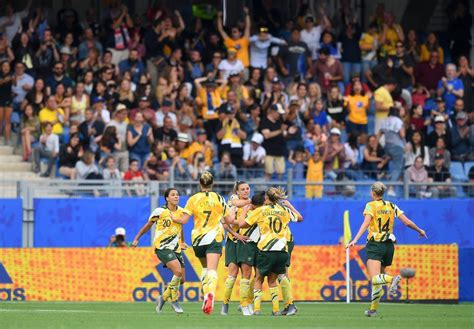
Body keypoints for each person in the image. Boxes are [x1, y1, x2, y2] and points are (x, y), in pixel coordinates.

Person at [347, 181, 427, 317]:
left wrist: (355, 239)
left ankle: (392, 279)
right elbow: (407, 222)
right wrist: (419, 230)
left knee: (375, 279)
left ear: (372, 192)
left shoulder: (370, 206)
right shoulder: (392, 205)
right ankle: (373, 310)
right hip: (389, 246)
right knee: (379, 280)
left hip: (375, 245)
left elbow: (366, 224)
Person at [171, 171, 233, 315]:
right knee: (212, 270)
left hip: (198, 239)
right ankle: (209, 295)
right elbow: (229, 220)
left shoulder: (193, 199)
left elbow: (183, 220)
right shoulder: (219, 198)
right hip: (214, 238)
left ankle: (206, 297)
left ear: (200, 184)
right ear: (213, 184)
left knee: (205, 269)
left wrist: (172, 216)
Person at [236, 187, 302, 316]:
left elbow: (242, 224)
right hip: (282, 250)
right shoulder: (283, 210)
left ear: (266, 199)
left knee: (259, 279)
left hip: (266, 249)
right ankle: (276, 309)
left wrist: (244, 211)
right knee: (274, 280)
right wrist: (290, 206)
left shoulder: (261, 210)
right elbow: (300, 218)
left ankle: (256, 309)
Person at [132, 188, 186, 314]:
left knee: (182, 279)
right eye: (173, 195)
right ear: (167, 198)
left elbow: (180, 227)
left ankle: (163, 298)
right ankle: (175, 301)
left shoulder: (182, 211)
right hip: (162, 247)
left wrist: (182, 241)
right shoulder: (160, 211)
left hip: (176, 248)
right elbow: (147, 226)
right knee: (177, 271)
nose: (176, 197)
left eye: (177, 195)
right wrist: (136, 238)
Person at [221, 181, 251, 316]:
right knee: (232, 275)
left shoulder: (252, 205)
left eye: (248, 188)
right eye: (243, 189)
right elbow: (224, 222)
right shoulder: (233, 201)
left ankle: (244, 304)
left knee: (247, 274)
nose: (246, 191)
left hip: (246, 242)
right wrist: (235, 234)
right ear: (237, 192)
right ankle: (225, 304)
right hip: (233, 241)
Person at [260, 104, 287, 180]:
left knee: (281, 173)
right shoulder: (264, 121)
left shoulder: (280, 121)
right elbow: (267, 135)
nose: (279, 115)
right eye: (278, 113)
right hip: (269, 152)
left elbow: (284, 133)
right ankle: (267, 191)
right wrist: (280, 131)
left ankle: (279, 191)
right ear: (272, 112)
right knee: (268, 173)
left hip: (280, 152)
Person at [0, 60, 13, 145]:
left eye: (7, 66)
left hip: (8, 99)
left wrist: (13, 79)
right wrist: (5, 80)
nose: (6, 68)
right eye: (4, 66)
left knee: (7, 120)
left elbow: (15, 83)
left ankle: (8, 139)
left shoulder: (12, 75)